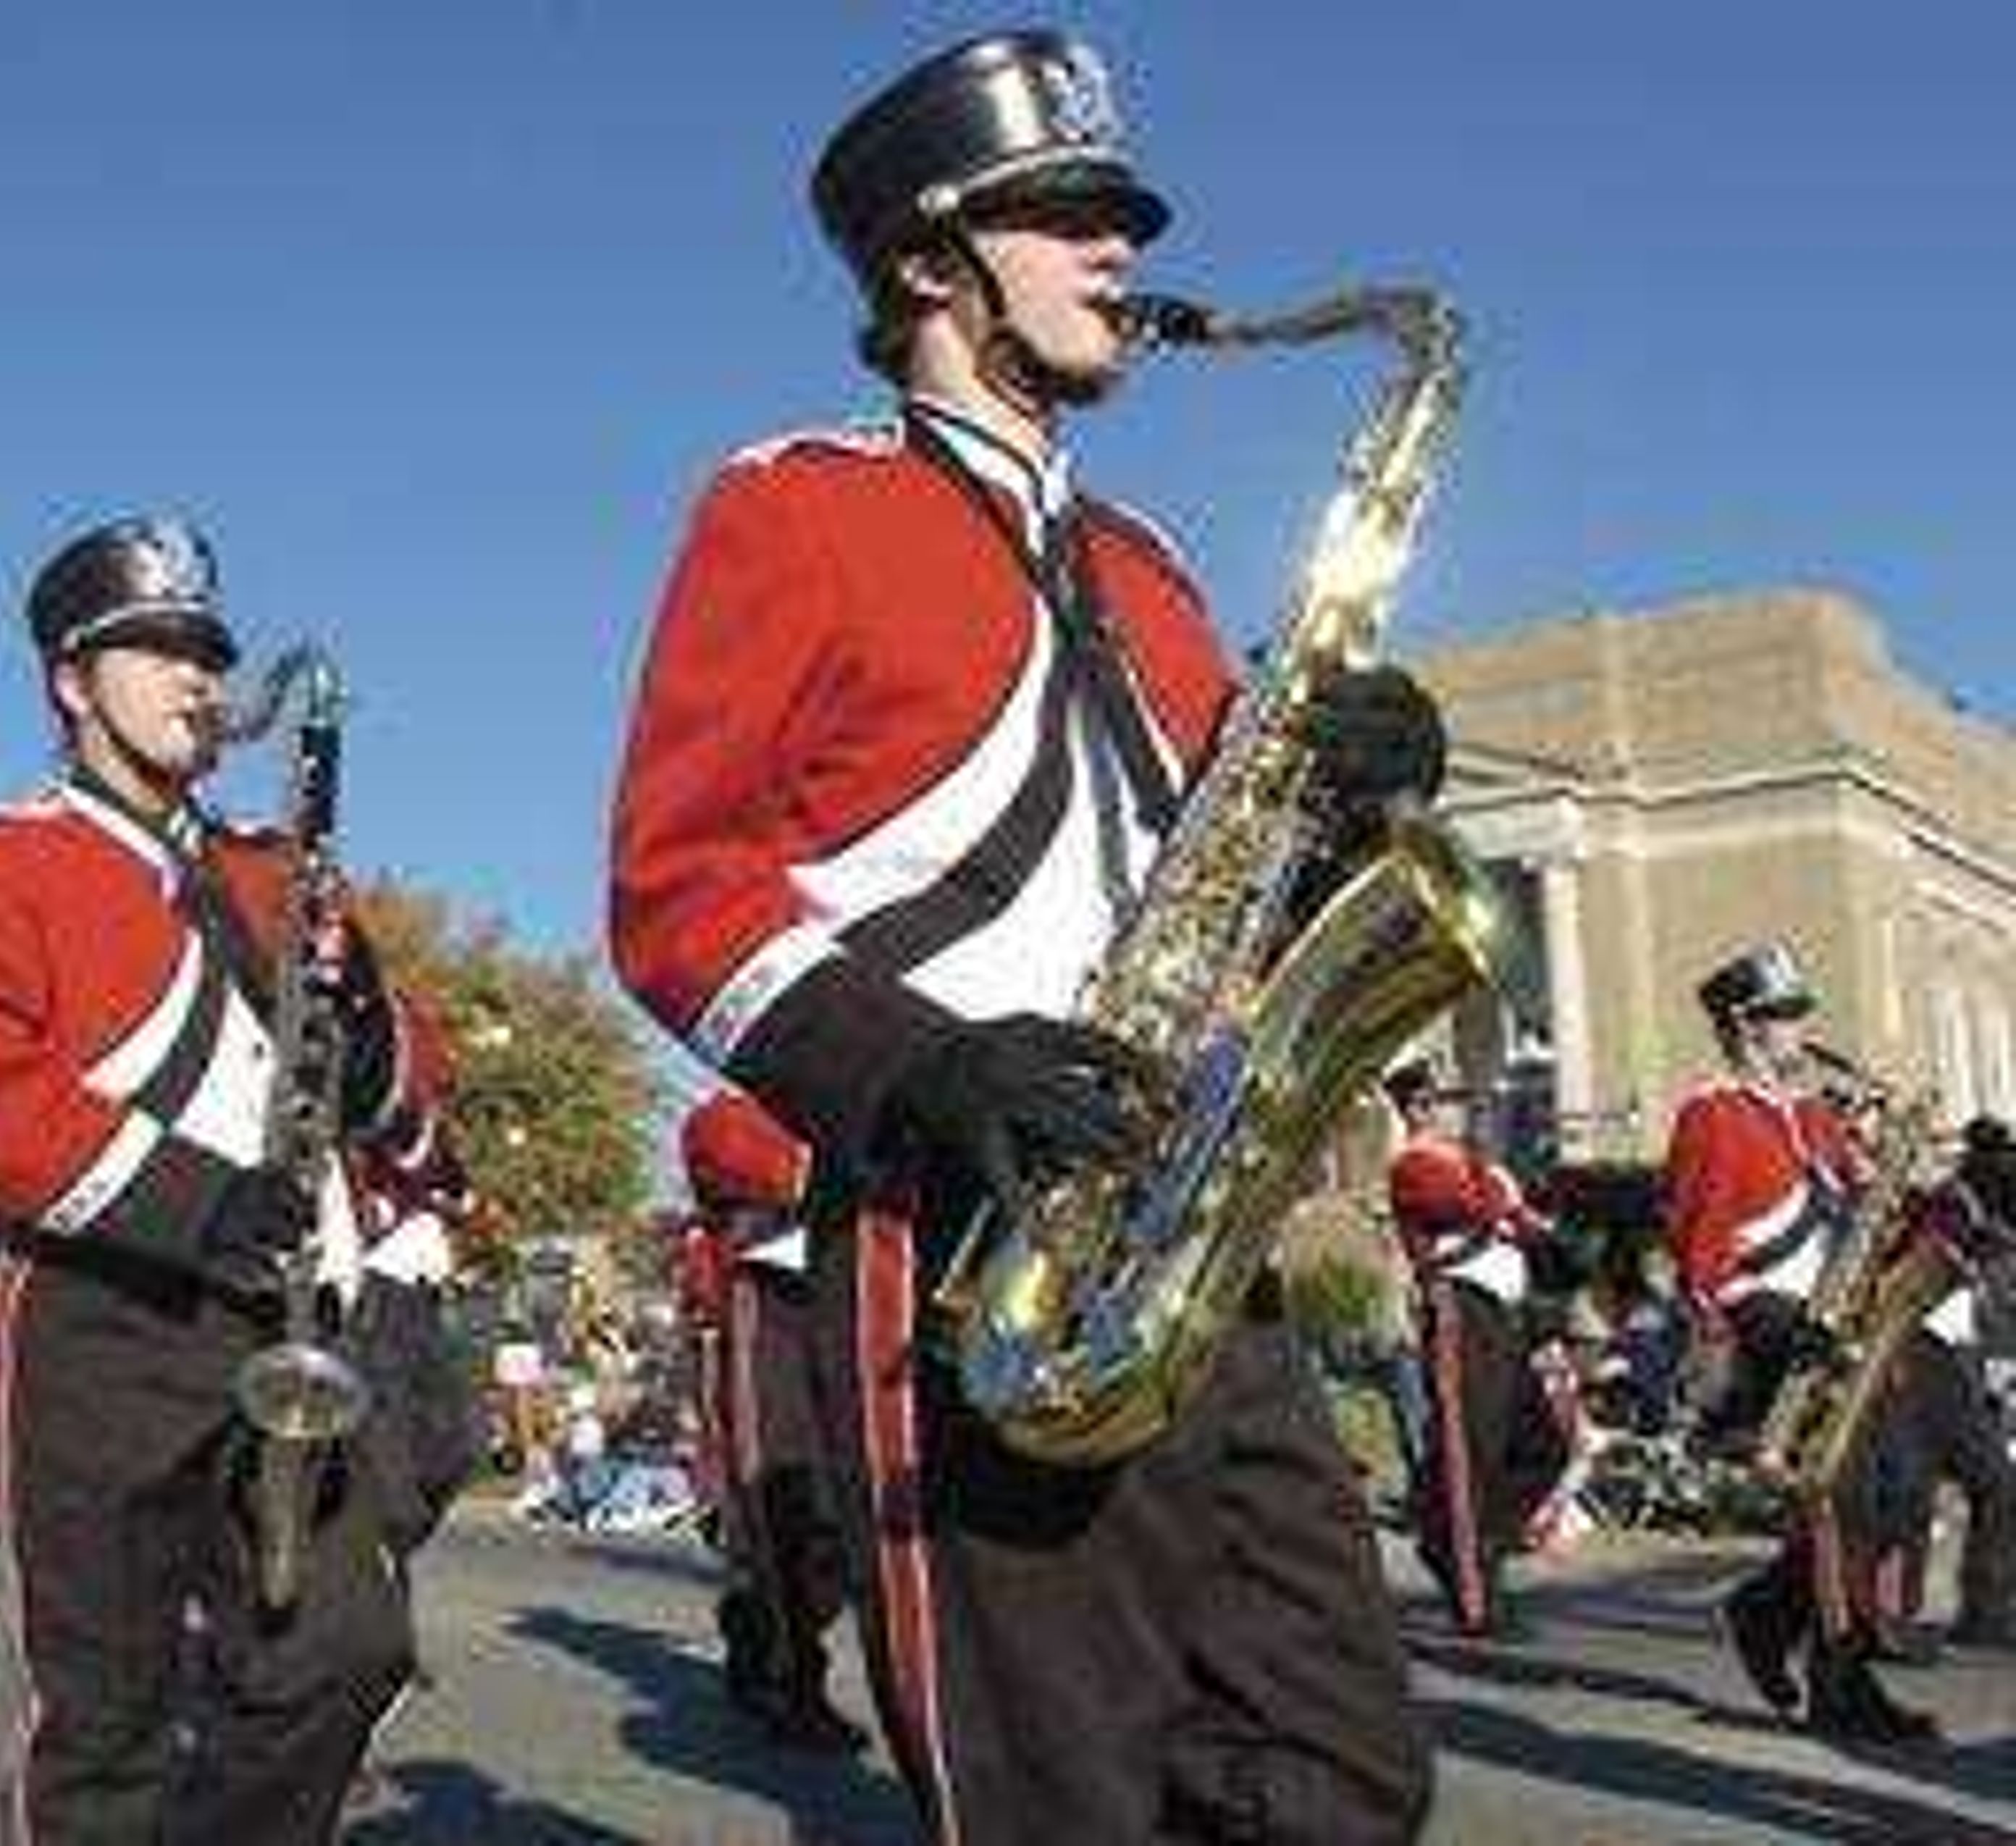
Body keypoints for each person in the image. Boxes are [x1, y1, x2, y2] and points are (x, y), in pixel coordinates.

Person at [609, 30, 1440, 1839]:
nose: (1117, 254)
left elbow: (1229, 887)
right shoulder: (796, 508)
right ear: (927, 262)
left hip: (1190, 1231)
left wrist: (1358, 796)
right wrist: (909, 1069)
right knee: (1058, 1785)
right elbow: (674, 892)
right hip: (959, 1224)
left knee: (1340, 1768)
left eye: (1118, 219)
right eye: (1064, 216)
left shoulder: (1149, 566)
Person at [0, 511, 450, 1842]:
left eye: (208, 647)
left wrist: (372, 1018)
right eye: (152, 647)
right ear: (70, 680)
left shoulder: (275, 869)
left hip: (277, 1320)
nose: (197, 676)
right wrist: (191, 1199)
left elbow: (403, 1094)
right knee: (105, 1720)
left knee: (345, 1649)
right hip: (95, 1316)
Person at [1663, 941, 1937, 1744]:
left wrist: (1892, 1159)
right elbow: (1697, 1238)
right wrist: (1718, 1323)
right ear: (1744, 1024)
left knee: (1902, 1489)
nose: (1798, 1029)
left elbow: (1868, 1212)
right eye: (1785, 1015)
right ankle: (1842, 1684)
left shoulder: (1815, 1114)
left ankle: (1763, 1608)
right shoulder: (1711, 1112)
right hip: (1775, 1316)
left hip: (1841, 1314)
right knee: (1839, 1500)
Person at [681, 1090, 869, 1753]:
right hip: (764, 1290)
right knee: (778, 1495)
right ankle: (796, 1684)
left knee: (847, 1512)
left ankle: (755, 1625)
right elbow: (732, 1157)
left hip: (843, 1285)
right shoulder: (735, 1107)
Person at [1383, 1058, 1568, 1640]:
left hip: (1505, 1312)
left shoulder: (1475, 1163)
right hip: (1461, 1307)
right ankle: (1474, 1597)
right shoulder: (1414, 1163)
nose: (1464, 1108)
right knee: (1472, 1451)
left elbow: (1529, 1226)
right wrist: (1506, 1192)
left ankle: (1461, 1536)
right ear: (1419, 1109)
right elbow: (1470, 1207)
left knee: (1544, 1444)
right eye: (1450, 1098)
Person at [1877, 1115, 2015, 1653]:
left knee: (1997, 1481)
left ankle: (1988, 1611)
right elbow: (1912, 1271)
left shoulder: (1985, 1214)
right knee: (1909, 1490)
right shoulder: (1945, 1207)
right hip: (1907, 1352)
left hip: (1955, 1361)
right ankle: (1892, 1618)